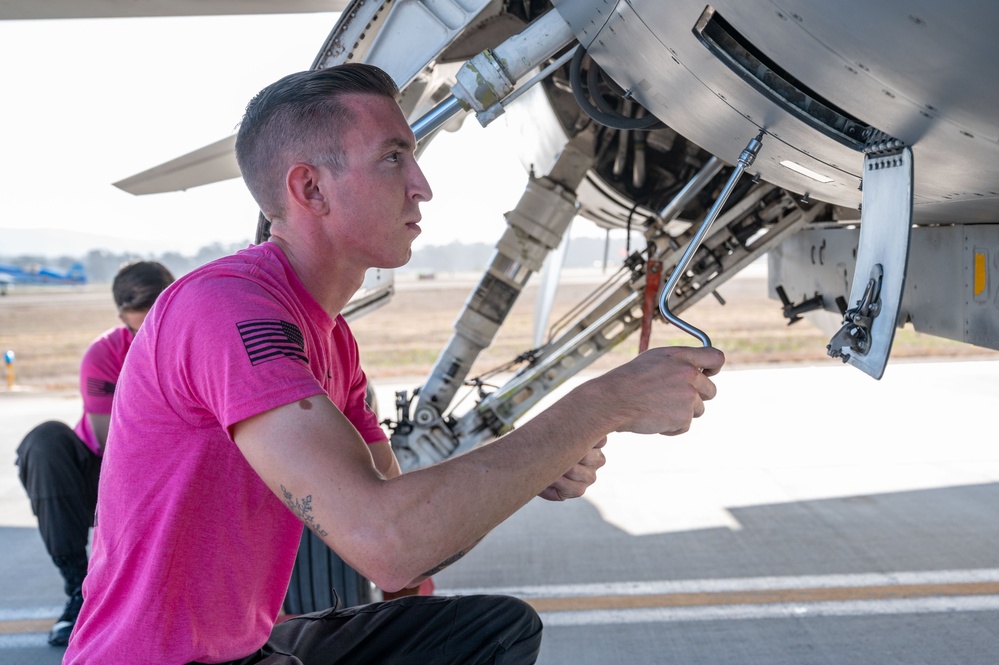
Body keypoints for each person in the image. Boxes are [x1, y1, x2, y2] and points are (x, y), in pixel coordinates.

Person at [65, 63, 724, 664]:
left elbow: (404, 562)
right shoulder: (226, 308)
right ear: (310, 188)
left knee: (490, 631)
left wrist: (538, 461)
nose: (423, 186)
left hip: (246, 645)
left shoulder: (328, 338)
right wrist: (596, 405)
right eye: (393, 157)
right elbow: (388, 541)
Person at [15, 260, 175, 646]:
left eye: (161, 321)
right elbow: (112, 448)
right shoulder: (103, 354)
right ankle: (78, 589)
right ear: (122, 316)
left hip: (178, 471)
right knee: (45, 442)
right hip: (107, 474)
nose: (150, 336)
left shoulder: (196, 340)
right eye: (139, 328)